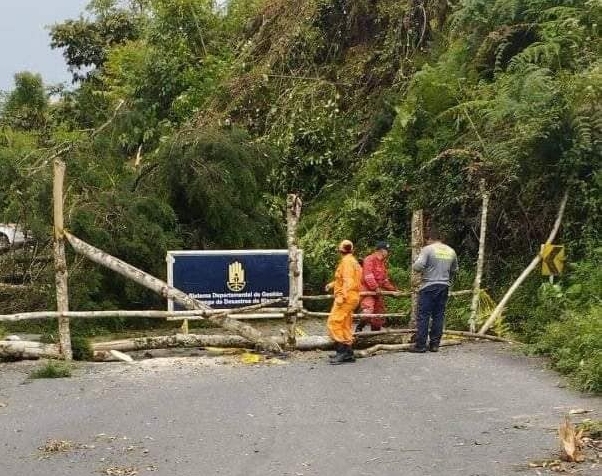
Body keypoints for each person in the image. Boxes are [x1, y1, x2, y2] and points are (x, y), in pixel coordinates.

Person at [410, 227, 458, 353]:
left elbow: (418, 266)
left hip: (429, 286)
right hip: (444, 286)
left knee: (424, 315)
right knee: (439, 315)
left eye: (427, 240)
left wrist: (418, 264)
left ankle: (420, 345)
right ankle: (435, 344)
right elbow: (455, 270)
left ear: (430, 239)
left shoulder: (428, 249)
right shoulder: (451, 251)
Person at [325, 239, 362, 364]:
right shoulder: (353, 261)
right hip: (353, 296)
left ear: (339, 250)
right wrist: (331, 285)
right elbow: (346, 279)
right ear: (352, 249)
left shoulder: (346, 262)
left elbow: (348, 282)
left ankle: (341, 352)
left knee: (334, 323)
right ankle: (348, 353)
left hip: (346, 298)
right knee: (345, 324)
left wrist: (341, 296)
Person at [356, 241, 397, 332]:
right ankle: (359, 329)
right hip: (368, 291)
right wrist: (375, 287)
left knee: (378, 317)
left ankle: (375, 336)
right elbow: (368, 276)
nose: (388, 253)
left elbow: (385, 280)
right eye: (387, 251)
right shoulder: (369, 259)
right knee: (368, 311)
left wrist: (394, 290)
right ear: (382, 251)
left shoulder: (382, 264)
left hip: (378, 294)